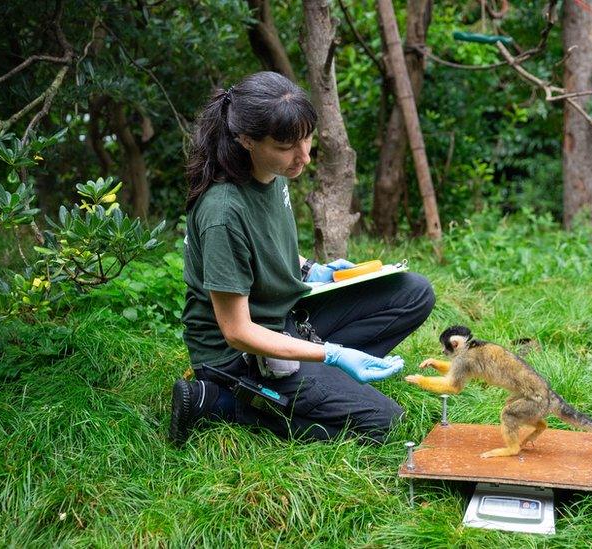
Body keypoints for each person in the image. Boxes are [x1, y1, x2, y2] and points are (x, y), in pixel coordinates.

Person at [169, 71, 435, 446]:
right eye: (286, 146)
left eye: (307, 139)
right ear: (246, 140)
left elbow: (261, 243)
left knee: (413, 292)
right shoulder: (222, 213)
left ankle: (319, 380)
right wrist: (332, 354)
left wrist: (313, 269)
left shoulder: (273, 171)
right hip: (239, 355)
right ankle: (222, 402)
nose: (304, 156)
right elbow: (237, 331)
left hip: (287, 317)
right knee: (384, 423)